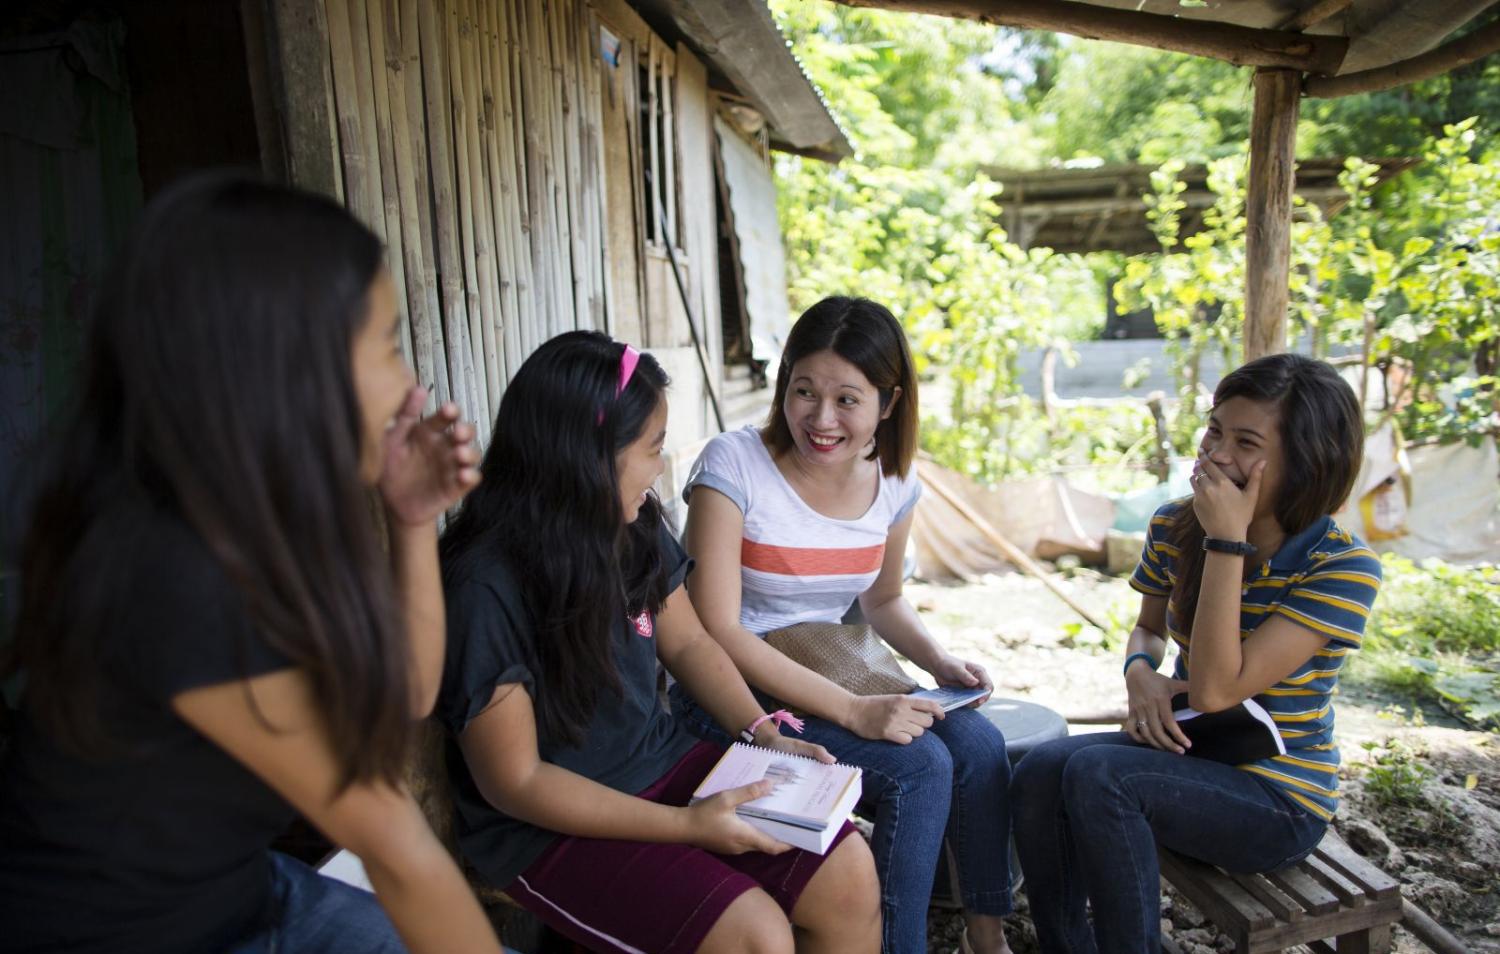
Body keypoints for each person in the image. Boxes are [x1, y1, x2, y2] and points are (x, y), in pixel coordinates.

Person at [0, 174, 502, 953]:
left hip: (240, 895)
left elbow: (406, 692)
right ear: (289, 372)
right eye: (391, 345)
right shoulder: (177, 579)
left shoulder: (242, 522)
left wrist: (410, 519)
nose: (411, 388)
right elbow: (402, 855)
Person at [435, 331, 882, 954]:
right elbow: (518, 781)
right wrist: (686, 828)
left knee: (850, 875)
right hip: (545, 824)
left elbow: (691, 643)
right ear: (588, 455)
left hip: (659, 761)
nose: (661, 470)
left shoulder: (630, 521)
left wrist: (765, 733)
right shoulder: (486, 583)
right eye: (653, 449)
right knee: (756, 937)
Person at [671, 297, 1015, 954]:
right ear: (784, 386)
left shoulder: (894, 480)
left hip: (829, 664)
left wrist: (940, 664)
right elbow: (715, 628)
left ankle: (986, 935)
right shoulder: (734, 466)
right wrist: (857, 712)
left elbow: (883, 602)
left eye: (847, 400)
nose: (820, 419)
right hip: (731, 690)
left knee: (979, 745)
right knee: (921, 768)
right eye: (804, 391)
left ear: (888, 403)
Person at [1010, 352, 1382, 954]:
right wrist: (1140, 673)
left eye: (1245, 441)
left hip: (1277, 797)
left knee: (1101, 776)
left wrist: (1226, 541)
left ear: (1306, 462)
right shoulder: (1173, 526)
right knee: (1038, 772)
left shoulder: (1342, 567)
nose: (1215, 453)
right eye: (1214, 429)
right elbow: (1148, 632)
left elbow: (1215, 690)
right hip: (1192, 751)